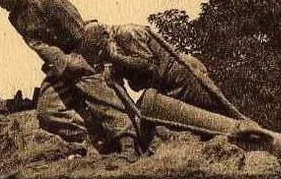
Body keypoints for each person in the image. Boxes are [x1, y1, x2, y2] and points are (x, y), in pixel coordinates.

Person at [0, 0, 137, 155]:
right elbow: (39, 45)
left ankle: (128, 141)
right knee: (47, 111)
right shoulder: (15, 18)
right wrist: (64, 64)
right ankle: (91, 141)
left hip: (83, 50)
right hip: (60, 64)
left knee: (94, 90)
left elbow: (79, 32)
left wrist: (81, 63)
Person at [78, 21, 225, 113]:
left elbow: (149, 66)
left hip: (180, 75)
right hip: (166, 85)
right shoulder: (113, 51)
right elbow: (134, 87)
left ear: (105, 38)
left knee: (216, 113)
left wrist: (116, 58)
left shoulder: (126, 33)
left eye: (103, 54)